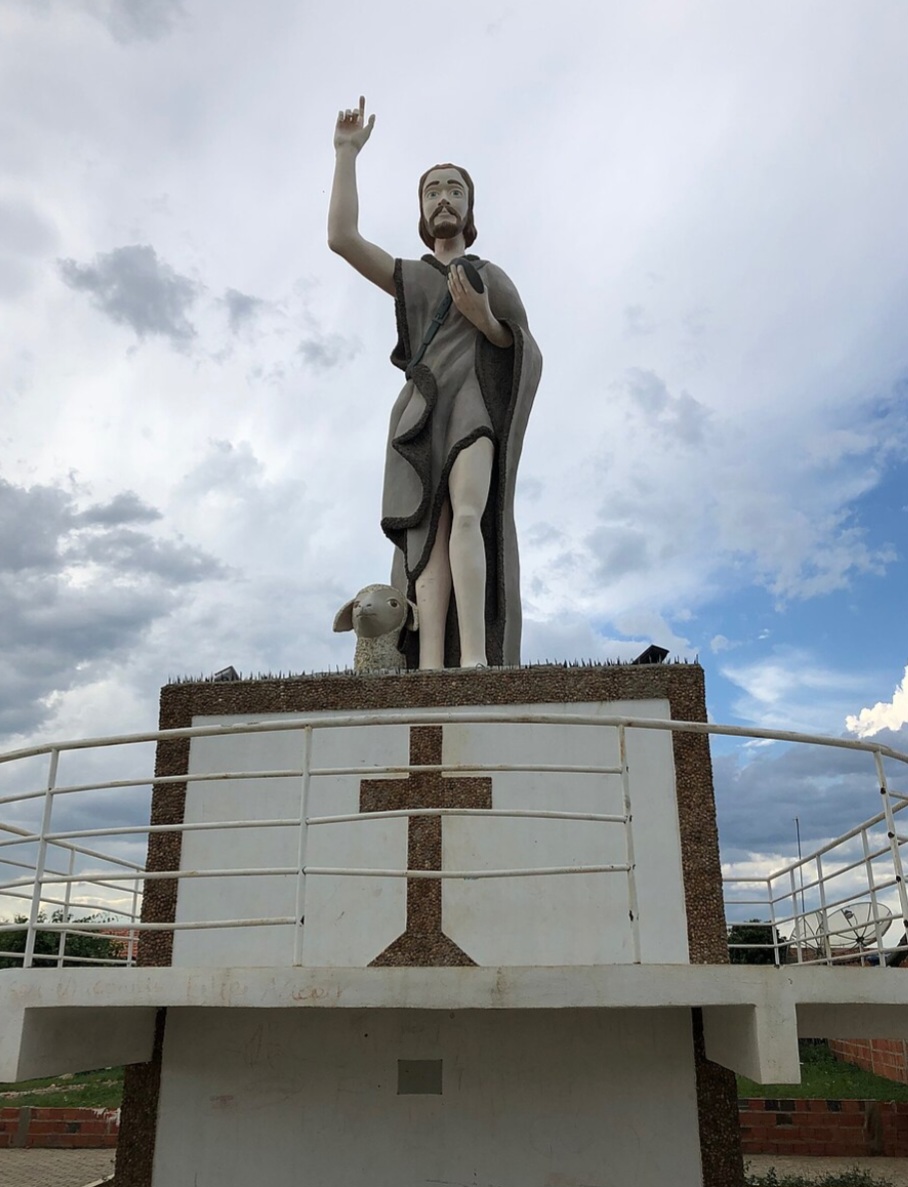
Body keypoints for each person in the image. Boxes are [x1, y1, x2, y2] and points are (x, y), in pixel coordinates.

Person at [328, 97, 541, 669]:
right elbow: (343, 239)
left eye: (454, 189)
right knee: (429, 535)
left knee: (468, 517)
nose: (443, 197)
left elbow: (523, 346)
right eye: (432, 191)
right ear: (422, 210)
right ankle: (428, 664)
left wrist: (485, 321)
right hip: (423, 411)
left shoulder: (489, 277)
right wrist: (346, 155)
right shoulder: (413, 278)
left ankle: (474, 659)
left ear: (469, 208)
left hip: (472, 407)